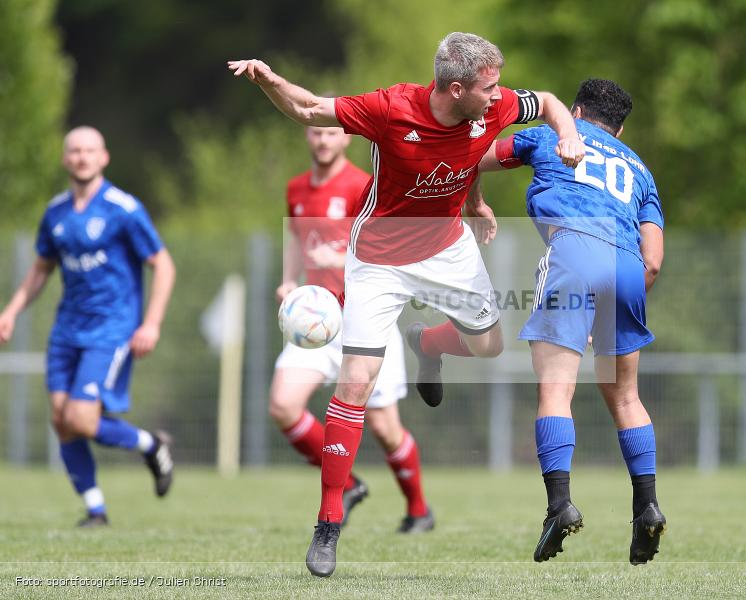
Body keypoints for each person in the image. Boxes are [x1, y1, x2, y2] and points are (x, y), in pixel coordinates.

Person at [229, 31, 585, 577]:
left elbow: (552, 105)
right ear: (456, 87)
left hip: (447, 248)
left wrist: (567, 139)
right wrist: (271, 80)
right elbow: (306, 109)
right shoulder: (390, 107)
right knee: (355, 384)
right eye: (488, 87)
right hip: (377, 260)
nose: (499, 96)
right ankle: (328, 524)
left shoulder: (497, 103)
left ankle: (430, 344)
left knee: (489, 346)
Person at [477, 79, 666, 565]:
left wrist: (472, 203)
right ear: (621, 127)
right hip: (628, 267)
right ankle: (646, 507)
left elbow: (473, 158)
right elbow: (655, 261)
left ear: (575, 110)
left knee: (556, 390)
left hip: (573, 251)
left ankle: (558, 506)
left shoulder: (548, 134)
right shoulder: (640, 169)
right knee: (626, 396)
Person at [0, 126, 176, 527]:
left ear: (104, 157)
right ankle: (96, 510)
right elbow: (41, 269)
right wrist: (11, 311)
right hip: (67, 328)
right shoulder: (56, 212)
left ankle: (152, 445)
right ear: (66, 159)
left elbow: (163, 265)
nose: (81, 157)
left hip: (112, 328)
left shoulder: (123, 208)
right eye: (74, 151)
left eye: (89, 150)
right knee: (62, 420)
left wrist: (151, 323)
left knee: (81, 418)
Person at [270, 123, 434, 533]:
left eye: (331, 134)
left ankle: (418, 510)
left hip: (364, 320)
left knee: (384, 428)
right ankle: (347, 483)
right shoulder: (296, 189)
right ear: (307, 138)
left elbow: (388, 244)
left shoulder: (364, 185)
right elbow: (295, 236)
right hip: (315, 321)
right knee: (283, 405)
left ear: (345, 139)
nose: (323, 140)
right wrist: (289, 280)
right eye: (315, 134)